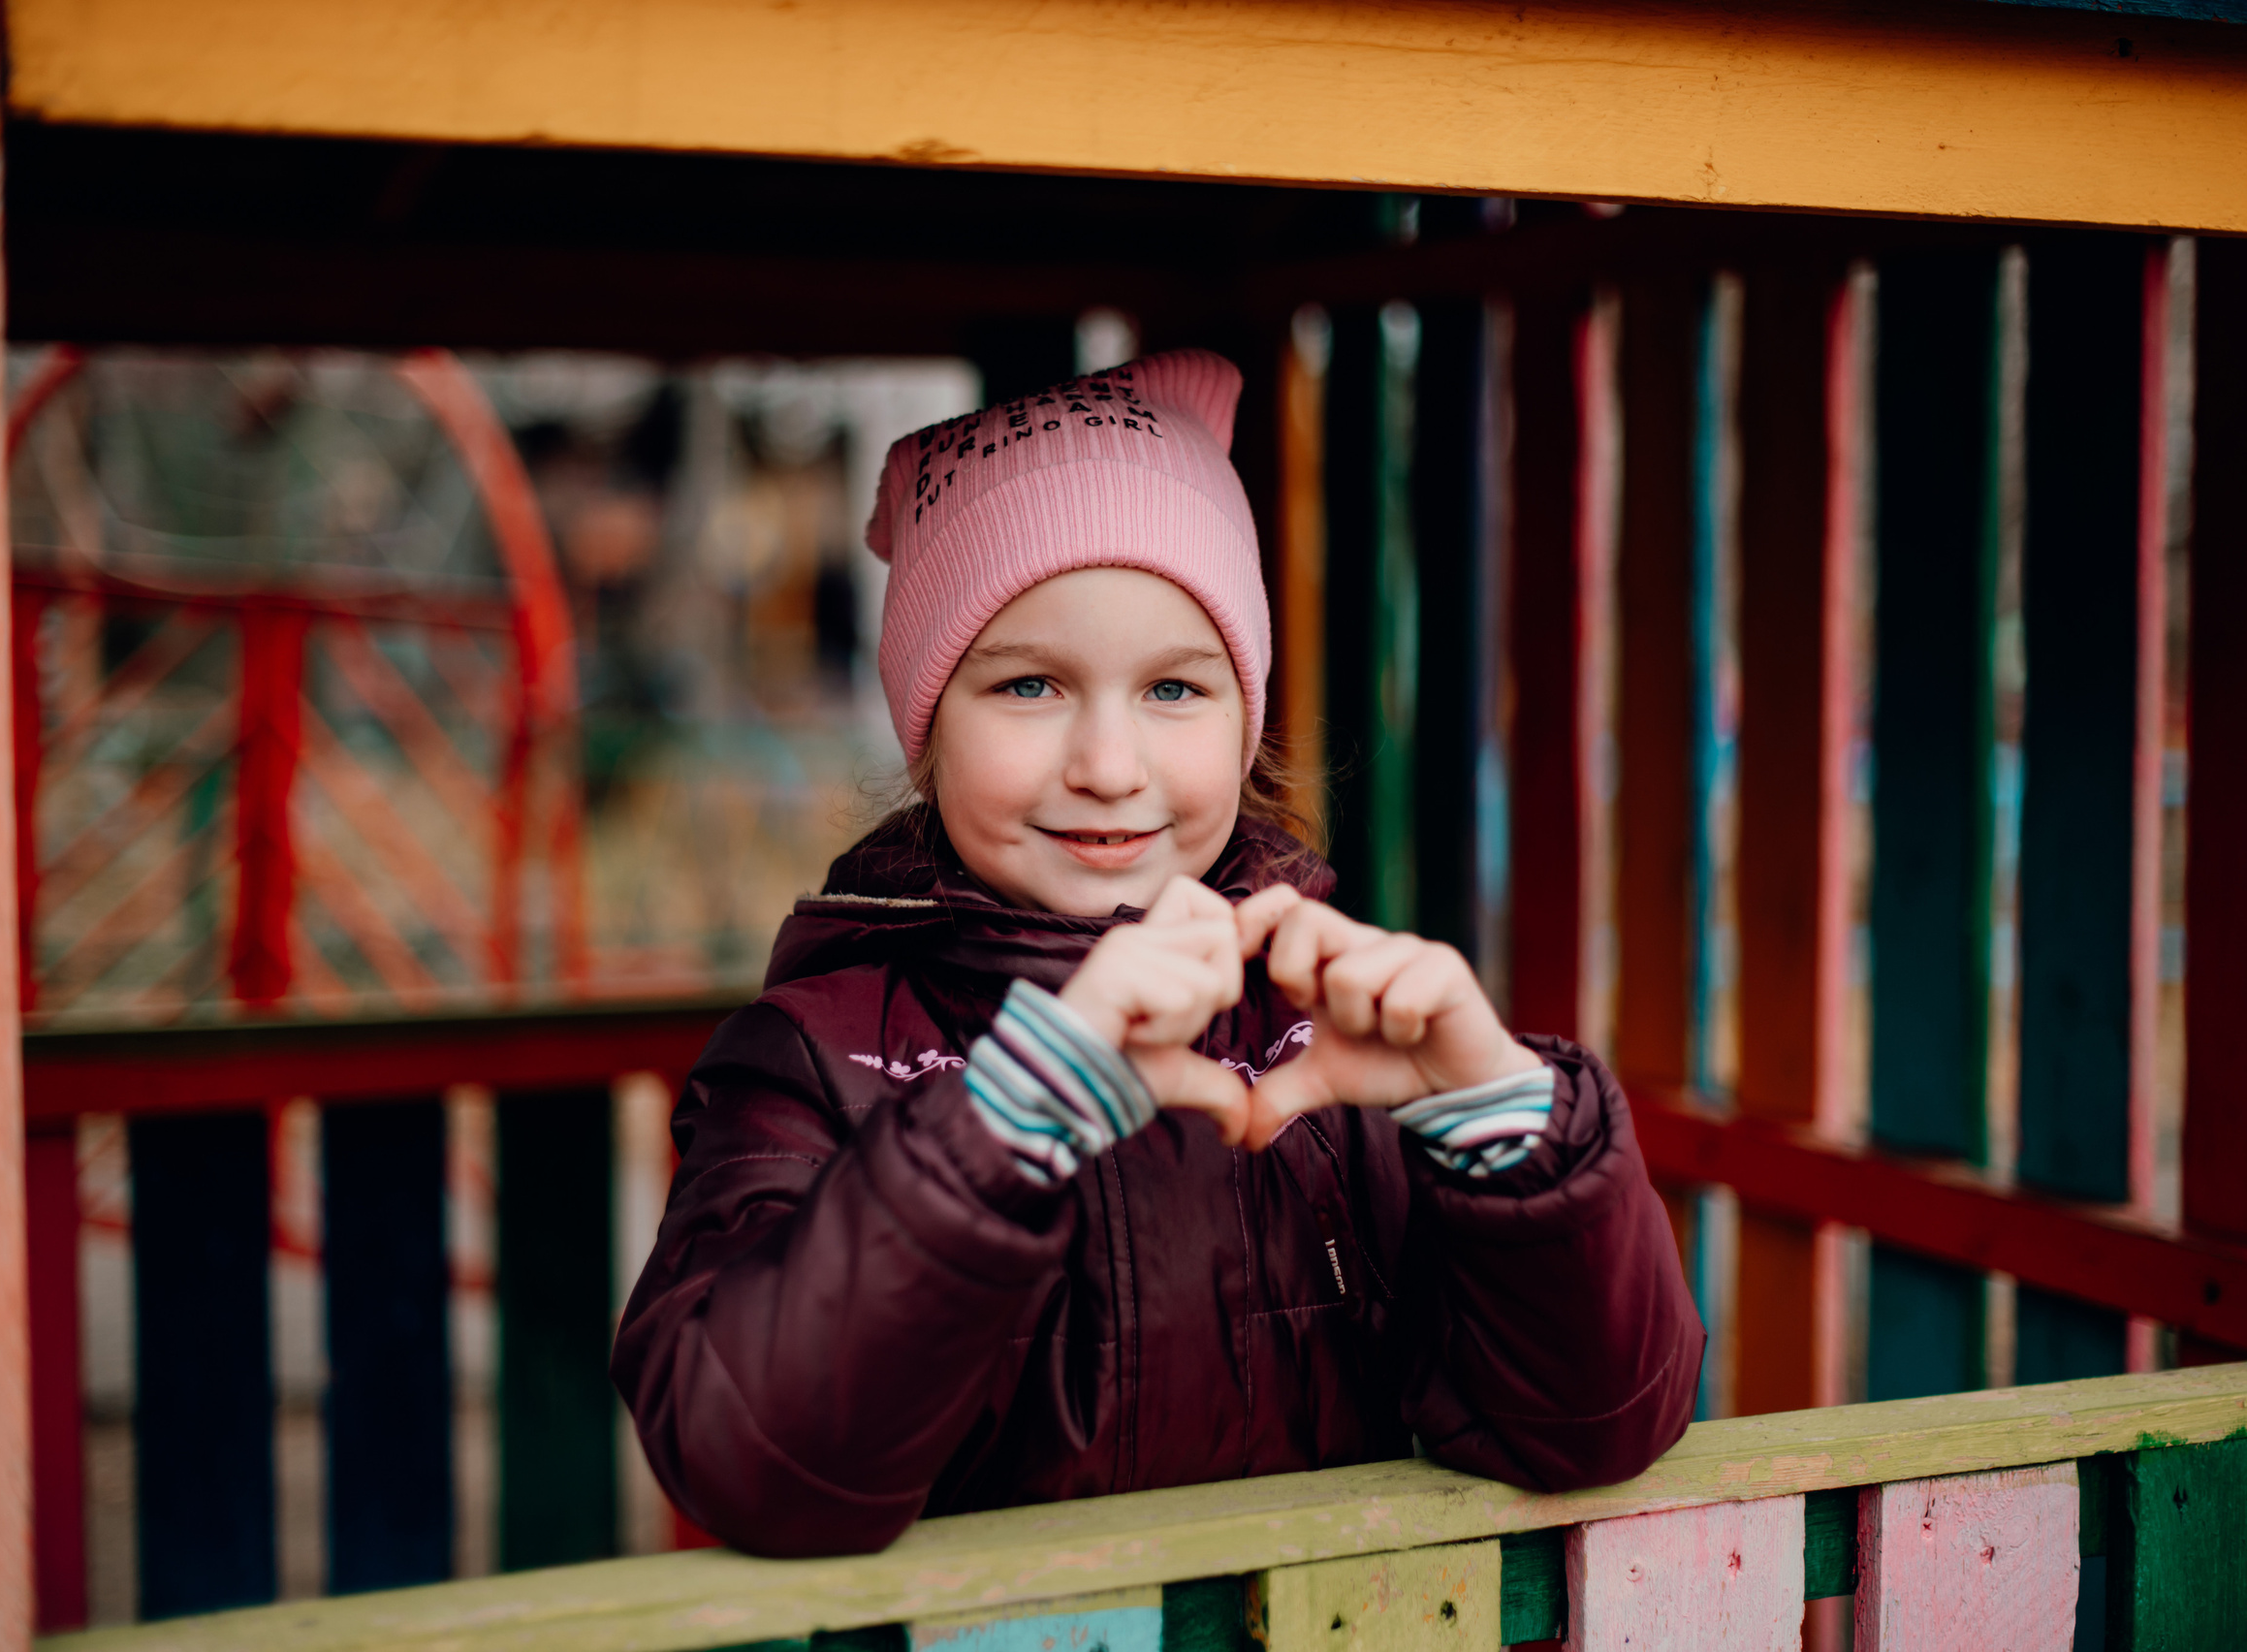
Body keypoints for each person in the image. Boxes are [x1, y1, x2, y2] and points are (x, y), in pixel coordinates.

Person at [611, 349, 1703, 1558]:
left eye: (1176, 691)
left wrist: (1502, 1117)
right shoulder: (815, 1058)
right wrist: (1015, 1116)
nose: (1110, 766)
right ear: (925, 736)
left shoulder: (1336, 1040)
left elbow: (1592, 1426)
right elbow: (753, 1462)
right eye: (1028, 686)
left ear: (1246, 727)